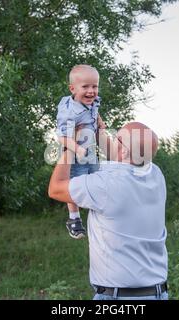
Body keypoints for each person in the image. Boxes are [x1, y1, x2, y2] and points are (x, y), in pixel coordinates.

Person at [48, 122, 169, 300]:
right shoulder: (155, 174)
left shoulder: (105, 185)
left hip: (118, 297)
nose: (112, 140)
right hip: (157, 293)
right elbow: (121, 155)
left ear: (125, 150)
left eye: (117, 138)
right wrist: (95, 123)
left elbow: (55, 189)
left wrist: (71, 146)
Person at [55, 64, 106, 239]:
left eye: (95, 86)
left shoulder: (92, 101)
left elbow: (94, 109)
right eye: (85, 87)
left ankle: (99, 215)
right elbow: (61, 137)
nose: (91, 91)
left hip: (90, 151)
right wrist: (76, 149)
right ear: (73, 88)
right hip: (75, 153)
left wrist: (99, 120)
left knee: (96, 179)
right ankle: (74, 219)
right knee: (74, 187)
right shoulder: (70, 112)